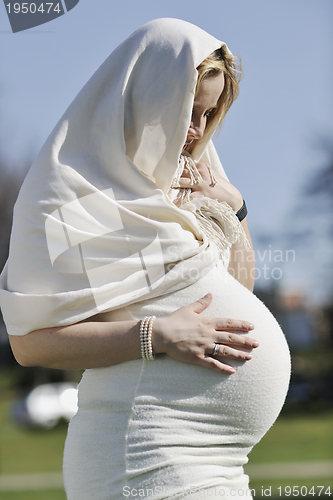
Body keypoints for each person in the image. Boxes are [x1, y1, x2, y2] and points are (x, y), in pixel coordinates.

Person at [0, 18, 290, 499]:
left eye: (210, 113)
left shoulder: (188, 175)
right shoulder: (63, 198)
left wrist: (234, 208)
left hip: (219, 458)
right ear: (146, 98)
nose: (197, 130)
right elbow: (31, 345)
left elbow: (240, 289)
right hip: (146, 455)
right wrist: (156, 336)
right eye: (188, 110)